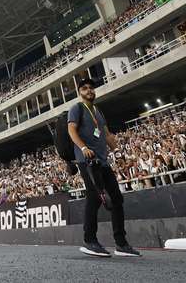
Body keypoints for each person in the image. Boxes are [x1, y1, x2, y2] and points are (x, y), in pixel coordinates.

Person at [67, 78, 140, 258]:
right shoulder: (77, 109)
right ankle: (90, 241)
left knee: (116, 199)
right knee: (94, 198)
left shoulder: (98, 111)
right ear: (79, 92)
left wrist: (118, 151)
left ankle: (121, 244)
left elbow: (106, 134)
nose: (89, 90)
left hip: (103, 162)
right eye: (84, 88)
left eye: (91, 88)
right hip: (87, 161)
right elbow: (71, 130)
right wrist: (83, 148)